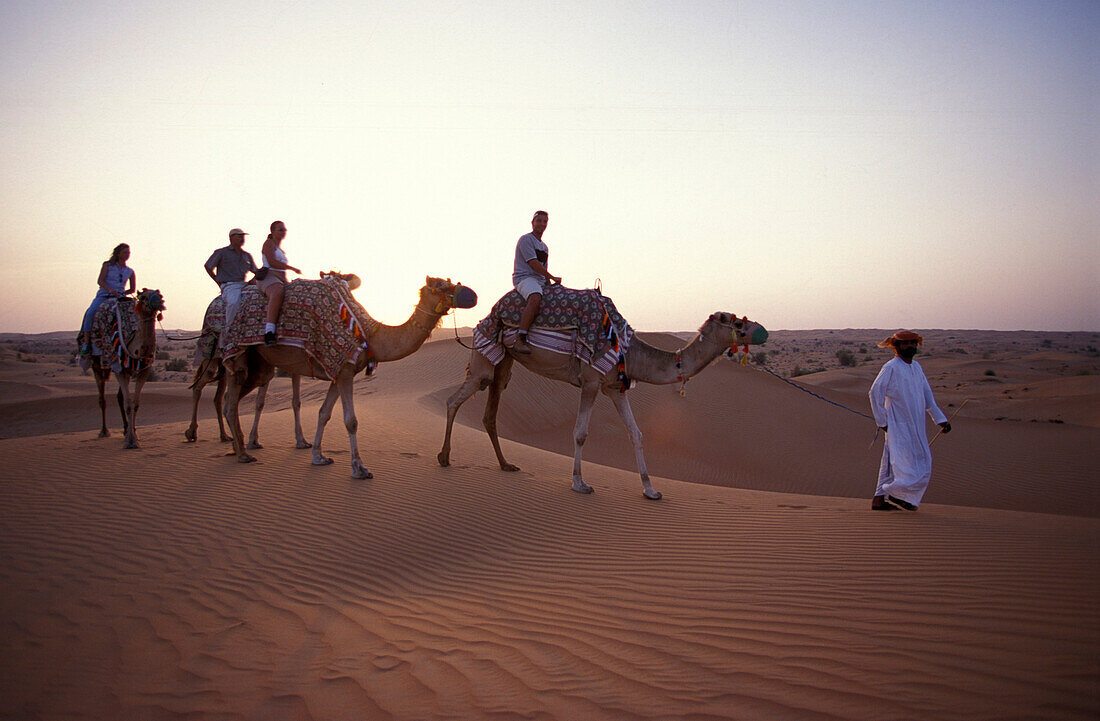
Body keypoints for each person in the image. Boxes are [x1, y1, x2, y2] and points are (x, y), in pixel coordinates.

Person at [868, 330, 951, 511]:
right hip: (897, 424)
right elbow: (875, 392)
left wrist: (940, 419)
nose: (910, 346)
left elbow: (927, 396)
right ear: (896, 346)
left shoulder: (916, 367)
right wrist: (882, 422)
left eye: (913, 343)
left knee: (913, 462)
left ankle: (885, 498)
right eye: (905, 344)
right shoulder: (891, 367)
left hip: (916, 425)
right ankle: (894, 496)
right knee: (899, 462)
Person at [510, 210, 561, 354]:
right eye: (539, 221)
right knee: (535, 297)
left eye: (545, 221)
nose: (542, 224)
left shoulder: (544, 247)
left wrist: (550, 283)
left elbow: (543, 268)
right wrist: (552, 277)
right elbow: (534, 264)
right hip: (525, 278)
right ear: (533, 223)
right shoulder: (526, 240)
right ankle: (520, 338)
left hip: (539, 280)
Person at [80, 243, 136, 354]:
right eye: (125, 252)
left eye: (128, 252)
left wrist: (123, 293)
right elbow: (100, 281)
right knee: (90, 313)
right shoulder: (107, 266)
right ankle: (86, 344)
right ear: (118, 253)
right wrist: (110, 290)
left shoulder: (130, 271)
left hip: (119, 298)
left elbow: (132, 289)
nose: (127, 255)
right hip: (104, 296)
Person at [204, 228, 257, 342]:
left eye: (242, 236)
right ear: (231, 238)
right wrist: (218, 281)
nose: (242, 238)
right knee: (233, 302)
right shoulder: (221, 252)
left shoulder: (246, 255)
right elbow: (208, 266)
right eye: (239, 236)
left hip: (244, 284)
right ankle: (229, 333)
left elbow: (255, 271)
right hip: (230, 285)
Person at [257, 220, 301, 346]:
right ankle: (269, 332)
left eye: (284, 229)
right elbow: (271, 262)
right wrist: (291, 268)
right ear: (272, 231)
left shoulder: (280, 249)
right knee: (277, 292)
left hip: (282, 277)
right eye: (280, 229)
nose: (283, 232)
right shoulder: (268, 244)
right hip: (270, 275)